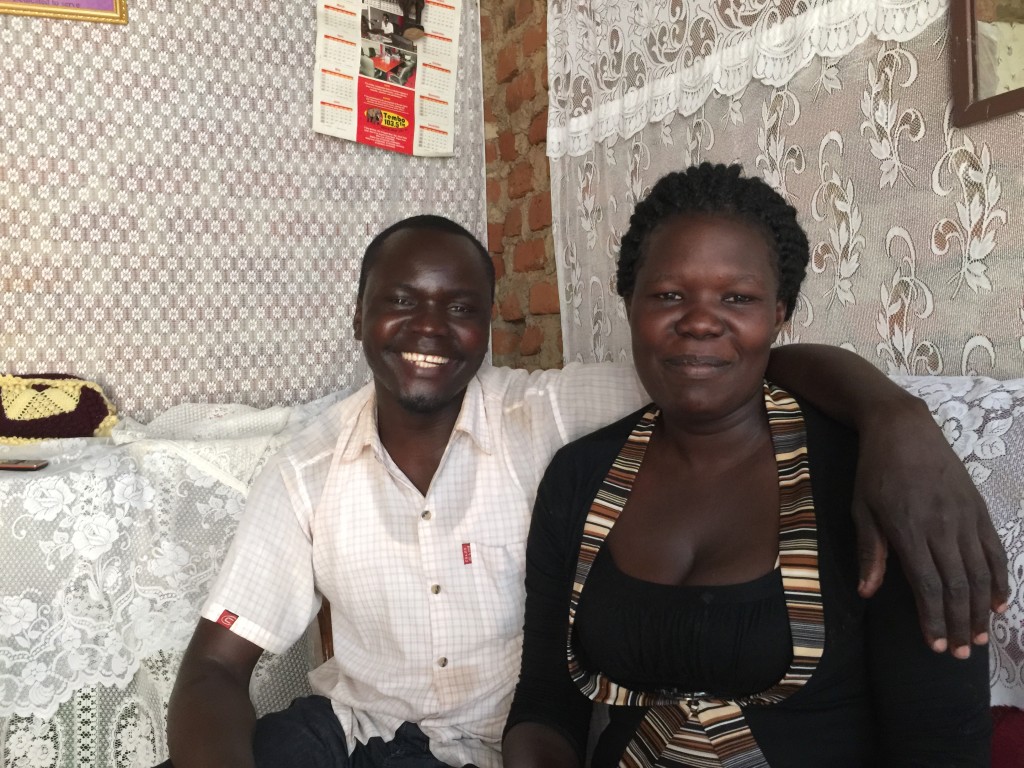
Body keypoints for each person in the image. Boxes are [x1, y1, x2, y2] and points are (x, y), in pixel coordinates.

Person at [162, 214, 1005, 768]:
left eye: (459, 307)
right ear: (357, 317)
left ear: (488, 328)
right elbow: (213, 670)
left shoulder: (551, 417)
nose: (427, 329)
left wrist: (896, 417)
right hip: (356, 738)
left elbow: (716, 367)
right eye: (399, 303)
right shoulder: (307, 469)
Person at [502, 164, 992, 767]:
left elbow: (941, 740)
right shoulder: (580, 475)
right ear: (630, 305)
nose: (701, 320)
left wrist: (896, 413)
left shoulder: (873, 479)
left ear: (780, 314)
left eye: (738, 297)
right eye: (668, 295)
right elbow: (548, 703)